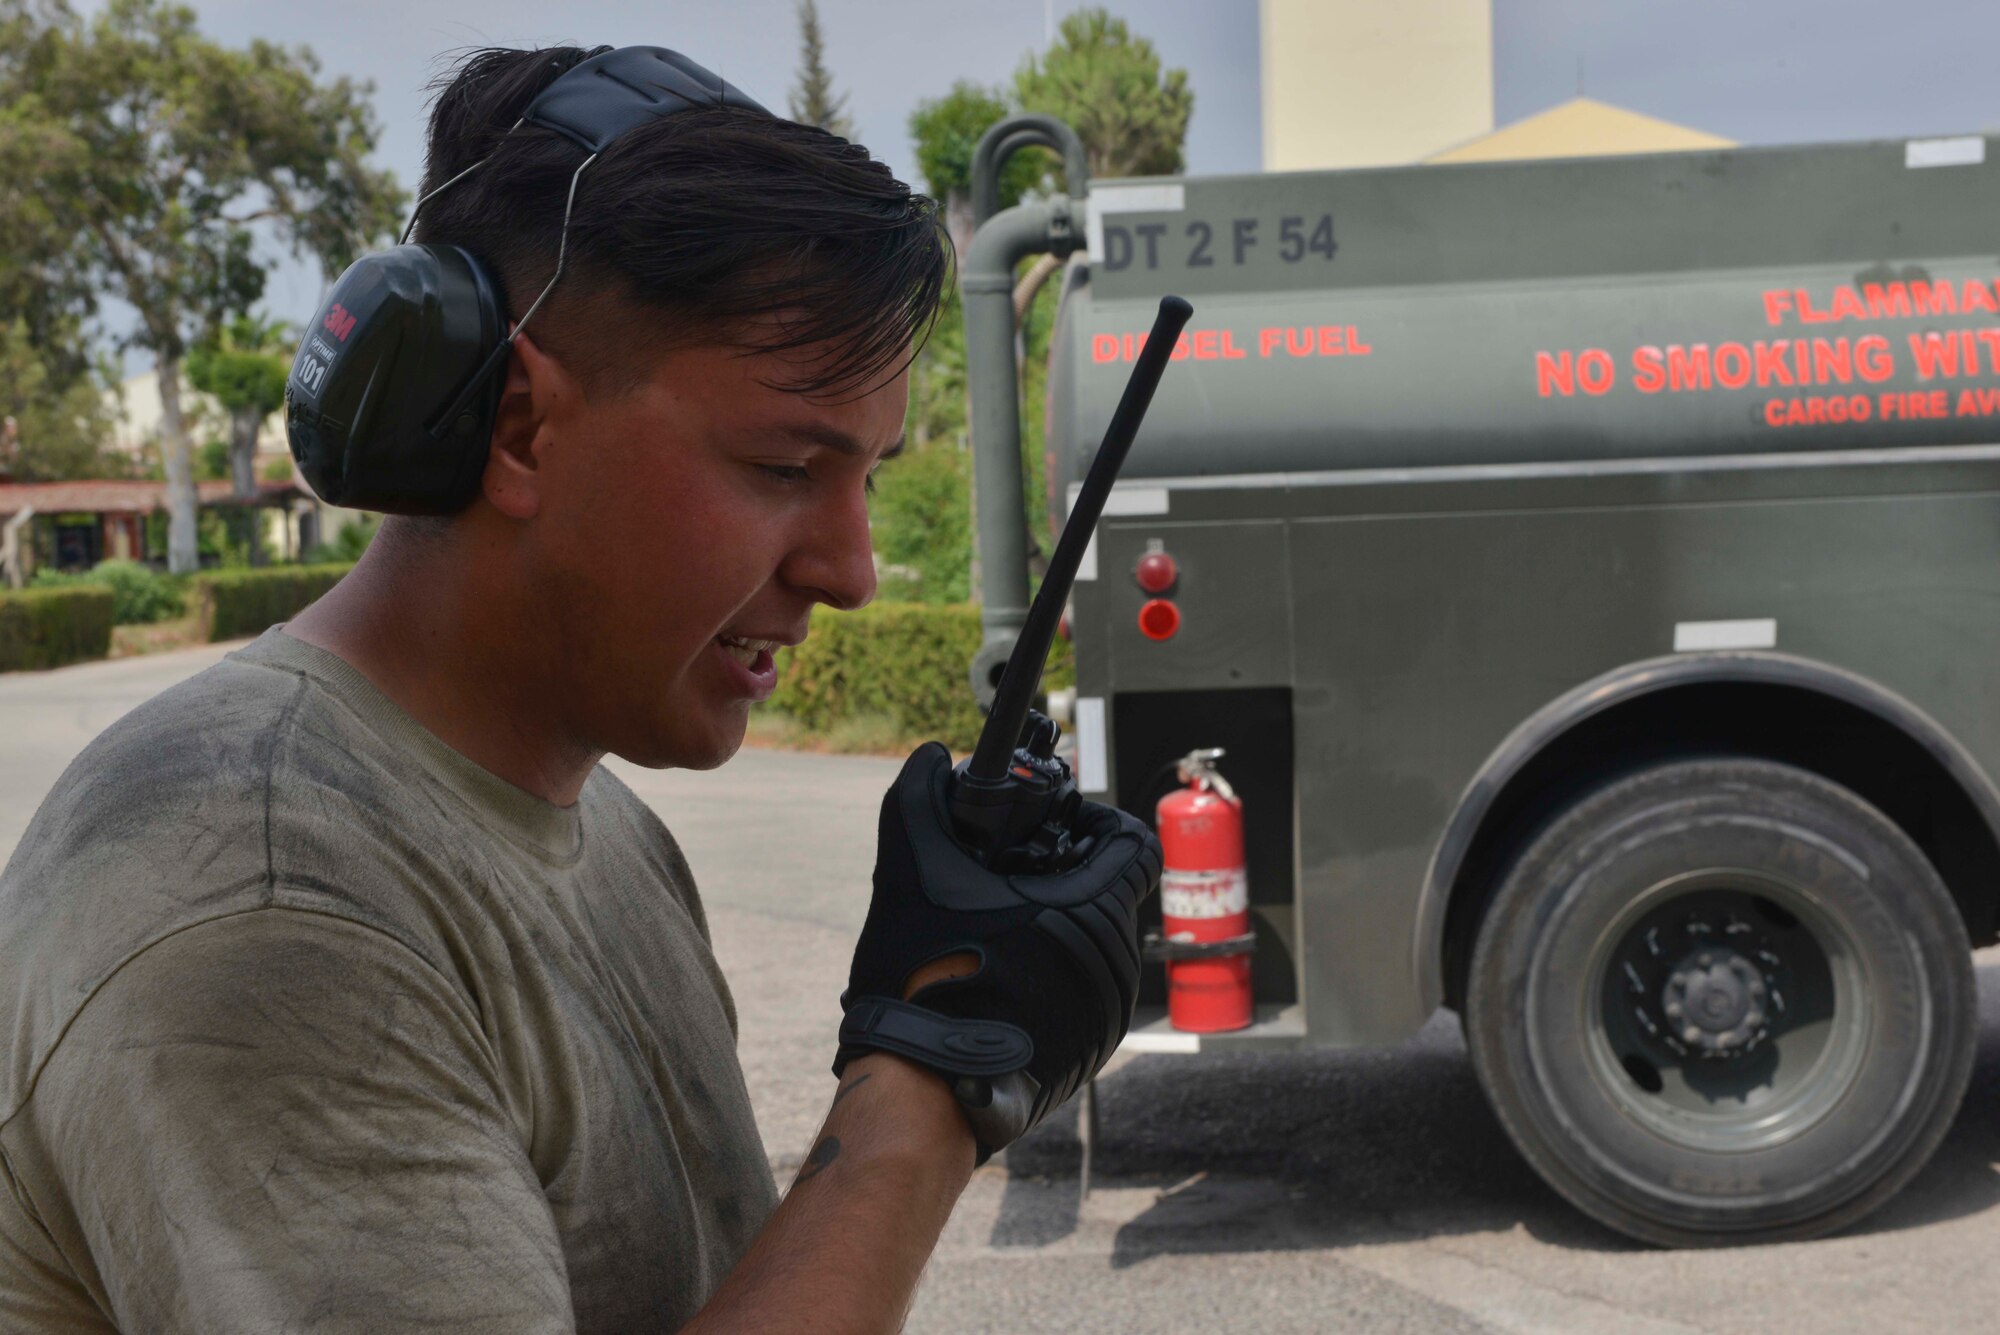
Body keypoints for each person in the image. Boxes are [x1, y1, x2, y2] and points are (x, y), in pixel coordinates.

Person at [0, 42, 1156, 1334]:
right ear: (516, 425)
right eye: (784, 467)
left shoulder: (600, 828)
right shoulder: (265, 906)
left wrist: (940, 1033)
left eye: (869, 478)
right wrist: (925, 1093)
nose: (852, 575)